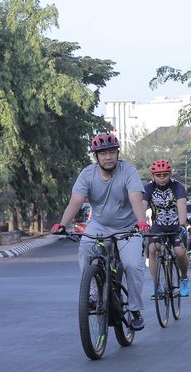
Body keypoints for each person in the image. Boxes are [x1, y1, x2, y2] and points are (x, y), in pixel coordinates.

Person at [51, 132, 150, 330]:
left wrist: (141, 222)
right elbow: (76, 201)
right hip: (99, 225)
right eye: (103, 153)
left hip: (128, 226)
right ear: (95, 157)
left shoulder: (128, 171)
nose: (108, 157)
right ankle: (93, 294)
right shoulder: (87, 174)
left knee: (132, 264)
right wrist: (62, 224)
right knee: (86, 250)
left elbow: (135, 199)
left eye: (112, 152)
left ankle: (134, 309)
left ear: (117, 153)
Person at [142, 159, 191, 297]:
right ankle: (157, 285)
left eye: (165, 174)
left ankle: (184, 278)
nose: (162, 178)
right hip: (158, 226)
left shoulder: (177, 187)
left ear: (170, 174)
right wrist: (140, 222)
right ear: (153, 176)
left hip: (176, 226)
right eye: (158, 175)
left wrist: (182, 225)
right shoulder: (148, 188)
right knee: (152, 249)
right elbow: (142, 205)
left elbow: (182, 206)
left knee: (180, 252)